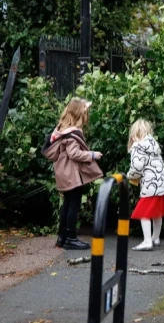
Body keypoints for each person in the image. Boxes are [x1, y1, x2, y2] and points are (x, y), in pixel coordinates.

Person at [42, 98, 103, 250]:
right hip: (72, 174)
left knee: (67, 205)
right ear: (79, 114)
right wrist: (92, 155)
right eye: (85, 112)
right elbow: (74, 153)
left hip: (64, 172)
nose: (87, 114)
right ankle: (71, 238)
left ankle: (62, 238)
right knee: (73, 206)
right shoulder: (74, 133)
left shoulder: (62, 129)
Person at [126, 119, 164, 251]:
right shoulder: (154, 146)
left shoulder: (138, 147)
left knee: (144, 213)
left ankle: (147, 241)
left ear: (134, 135)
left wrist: (129, 175)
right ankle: (155, 237)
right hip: (162, 186)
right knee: (157, 213)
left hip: (150, 187)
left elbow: (137, 167)